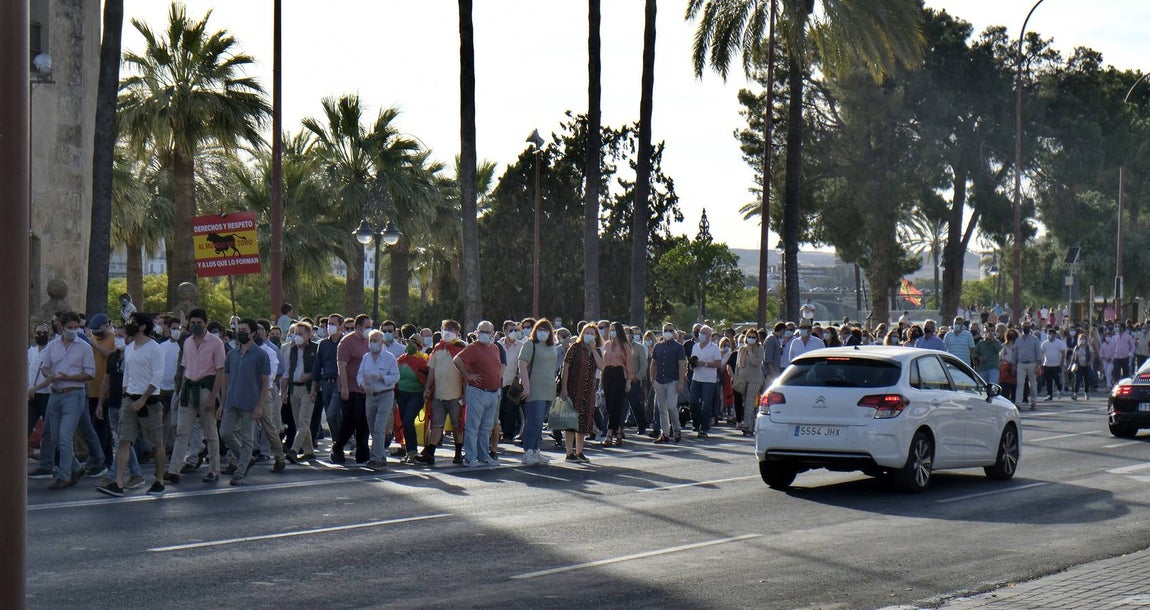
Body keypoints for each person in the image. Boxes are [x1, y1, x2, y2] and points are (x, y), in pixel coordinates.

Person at [99, 312, 166, 497]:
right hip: (130, 399)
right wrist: (126, 395)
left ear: (143, 327)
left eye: (133, 322)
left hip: (149, 401)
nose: (129, 325)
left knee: (155, 443)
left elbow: (157, 376)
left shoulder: (154, 348)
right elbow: (127, 373)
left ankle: (159, 480)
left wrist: (143, 398)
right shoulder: (129, 348)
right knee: (123, 440)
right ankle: (118, 483)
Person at [32, 312, 100, 490]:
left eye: (76, 327)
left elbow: (90, 373)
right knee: (54, 436)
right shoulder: (53, 345)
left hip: (74, 393)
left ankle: (64, 475)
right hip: (55, 394)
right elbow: (45, 367)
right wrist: (50, 375)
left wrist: (70, 377)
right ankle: (76, 467)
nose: (73, 330)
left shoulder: (84, 347)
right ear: (61, 327)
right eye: (69, 327)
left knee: (65, 435)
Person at [166, 308, 225, 484]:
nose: (196, 326)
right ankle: (174, 469)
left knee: (210, 432)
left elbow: (220, 371)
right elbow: (184, 369)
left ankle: (214, 470)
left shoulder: (216, 343)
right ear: (188, 324)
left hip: (206, 388)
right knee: (181, 431)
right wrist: (178, 394)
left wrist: (213, 397)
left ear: (205, 324)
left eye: (199, 323)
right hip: (188, 388)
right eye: (193, 323)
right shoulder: (187, 342)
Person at [216, 319, 269, 486]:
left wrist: (260, 405)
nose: (241, 333)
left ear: (253, 333)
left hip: (250, 403)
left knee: (248, 439)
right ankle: (246, 459)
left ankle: (240, 472)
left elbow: (265, 381)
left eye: (244, 330)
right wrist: (222, 403)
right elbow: (225, 380)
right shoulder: (231, 354)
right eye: (239, 330)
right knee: (225, 433)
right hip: (231, 401)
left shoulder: (261, 355)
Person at [454, 321, 503, 466]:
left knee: (486, 427)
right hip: (477, 392)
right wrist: (467, 376)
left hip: (493, 393)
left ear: (493, 333)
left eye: (487, 332)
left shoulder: (494, 348)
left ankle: (484, 456)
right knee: (472, 427)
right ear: (476, 332)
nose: (484, 334)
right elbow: (457, 360)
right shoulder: (473, 348)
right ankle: (470, 457)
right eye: (481, 331)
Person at [418, 320, 467, 466]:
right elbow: (432, 370)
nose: (448, 332)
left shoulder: (462, 349)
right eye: (446, 329)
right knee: (436, 425)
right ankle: (430, 454)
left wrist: (464, 394)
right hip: (438, 395)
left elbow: (466, 373)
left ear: (458, 333)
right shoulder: (438, 349)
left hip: (455, 395)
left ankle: (458, 454)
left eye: (451, 329)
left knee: (457, 425)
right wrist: (427, 388)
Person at [560, 323, 604, 461]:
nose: (589, 335)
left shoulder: (596, 350)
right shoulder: (574, 348)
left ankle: (579, 451)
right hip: (573, 388)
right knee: (571, 421)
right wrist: (564, 388)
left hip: (588, 389)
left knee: (584, 421)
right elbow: (566, 368)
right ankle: (569, 452)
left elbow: (602, 367)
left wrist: (594, 349)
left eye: (592, 333)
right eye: (587, 332)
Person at [358, 329, 401, 470]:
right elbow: (359, 376)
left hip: (385, 394)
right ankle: (381, 456)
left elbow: (396, 376)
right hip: (370, 396)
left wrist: (381, 377)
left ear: (382, 342)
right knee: (372, 428)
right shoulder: (366, 358)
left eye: (375, 340)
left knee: (379, 427)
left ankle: (375, 458)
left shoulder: (389, 358)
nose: (373, 343)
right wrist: (364, 386)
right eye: (371, 340)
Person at [334, 314, 373, 465]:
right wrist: (344, 387)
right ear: (358, 327)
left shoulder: (370, 342)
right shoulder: (346, 342)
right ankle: (337, 447)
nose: (369, 329)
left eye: (370, 326)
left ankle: (363, 453)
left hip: (365, 388)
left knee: (364, 421)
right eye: (366, 326)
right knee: (351, 419)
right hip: (350, 386)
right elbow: (342, 366)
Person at [518, 319, 558, 465]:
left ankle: (535, 450)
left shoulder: (551, 346)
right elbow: (522, 365)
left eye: (546, 330)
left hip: (548, 389)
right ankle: (528, 451)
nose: (543, 332)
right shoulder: (530, 345)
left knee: (540, 422)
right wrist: (527, 387)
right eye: (540, 329)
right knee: (534, 421)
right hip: (534, 389)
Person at [311, 314, 346, 458]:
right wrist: (314, 387)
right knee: (332, 417)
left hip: (340, 383)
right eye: (328, 324)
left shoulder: (346, 342)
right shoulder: (323, 344)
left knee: (332, 415)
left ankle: (338, 444)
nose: (329, 326)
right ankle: (337, 445)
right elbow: (317, 365)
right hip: (326, 384)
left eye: (333, 323)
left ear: (341, 326)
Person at [283, 321, 317, 463]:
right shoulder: (292, 350)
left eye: (300, 334)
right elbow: (286, 371)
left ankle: (294, 450)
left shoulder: (316, 349)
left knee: (303, 421)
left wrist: (312, 380)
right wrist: (283, 391)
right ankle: (309, 451)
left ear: (308, 335)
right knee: (299, 422)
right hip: (293, 389)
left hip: (308, 389)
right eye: (295, 333)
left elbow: (318, 370)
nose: (297, 336)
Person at [395, 336, 429, 465]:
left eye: (413, 343)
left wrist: (427, 391)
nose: (409, 345)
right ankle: (409, 451)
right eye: (409, 342)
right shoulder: (402, 359)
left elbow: (428, 377)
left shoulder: (423, 360)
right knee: (405, 422)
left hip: (416, 395)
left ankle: (412, 452)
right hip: (402, 395)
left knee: (408, 421)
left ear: (419, 346)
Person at [601, 321, 634, 446]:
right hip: (608, 373)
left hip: (619, 373)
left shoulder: (625, 345)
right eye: (611, 330)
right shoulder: (607, 344)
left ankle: (610, 433)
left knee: (616, 402)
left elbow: (629, 364)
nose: (611, 332)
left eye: (614, 329)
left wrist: (629, 381)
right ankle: (618, 430)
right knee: (609, 404)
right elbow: (604, 363)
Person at [689, 325, 723, 439]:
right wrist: (692, 364)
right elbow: (693, 361)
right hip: (696, 377)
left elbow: (719, 364)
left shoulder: (714, 348)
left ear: (709, 335)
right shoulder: (695, 346)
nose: (701, 334)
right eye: (701, 332)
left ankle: (704, 427)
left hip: (709, 380)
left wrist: (705, 364)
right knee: (693, 401)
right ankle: (696, 422)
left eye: (704, 333)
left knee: (706, 404)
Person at [733, 328, 765, 435]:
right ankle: (750, 427)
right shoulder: (742, 349)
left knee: (750, 401)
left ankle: (746, 424)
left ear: (757, 339)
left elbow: (756, 362)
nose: (751, 339)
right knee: (746, 402)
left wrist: (751, 351)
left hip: (755, 379)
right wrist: (736, 377)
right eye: (749, 337)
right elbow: (738, 365)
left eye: (753, 337)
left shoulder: (759, 349)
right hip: (743, 379)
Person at [1012, 323, 1042, 410]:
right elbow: (1015, 353)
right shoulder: (1018, 340)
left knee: (1033, 384)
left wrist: (1038, 365)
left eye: (1027, 326)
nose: (1026, 328)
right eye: (1024, 326)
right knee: (1020, 385)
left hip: (1032, 364)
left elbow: (1038, 352)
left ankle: (1034, 402)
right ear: (1022, 328)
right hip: (1021, 364)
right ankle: (1018, 403)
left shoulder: (1034, 339)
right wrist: (1014, 364)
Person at [1040, 327, 1067, 401]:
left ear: (1055, 335)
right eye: (1049, 334)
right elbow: (1041, 353)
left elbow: (1063, 352)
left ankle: (1059, 390)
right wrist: (1041, 363)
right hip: (1047, 364)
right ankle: (1049, 394)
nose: (1050, 336)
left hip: (1056, 365)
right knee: (1048, 380)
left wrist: (1061, 363)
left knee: (1057, 379)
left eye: (1051, 334)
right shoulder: (1044, 344)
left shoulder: (1059, 342)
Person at [1070, 334, 1094, 400]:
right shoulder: (1076, 347)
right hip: (1078, 365)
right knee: (1077, 380)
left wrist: (1090, 362)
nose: (1082, 340)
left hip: (1086, 365)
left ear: (1086, 339)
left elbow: (1092, 355)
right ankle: (1075, 394)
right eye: (1080, 338)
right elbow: (1073, 357)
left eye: (1083, 338)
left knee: (1086, 380)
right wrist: (1070, 365)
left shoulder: (1089, 347)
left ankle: (1086, 393)